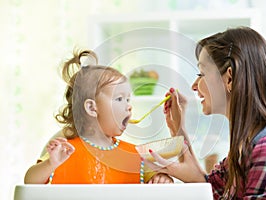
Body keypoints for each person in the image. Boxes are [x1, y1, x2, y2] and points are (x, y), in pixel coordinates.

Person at [146, 26, 266, 199]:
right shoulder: (245, 146)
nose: (194, 85)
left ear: (229, 78)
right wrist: (178, 130)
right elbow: (212, 191)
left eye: (201, 73)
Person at [24, 49, 173, 184]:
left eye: (128, 99)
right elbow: (30, 182)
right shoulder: (65, 151)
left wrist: (162, 179)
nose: (129, 106)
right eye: (119, 99)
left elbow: (160, 180)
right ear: (91, 108)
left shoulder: (134, 155)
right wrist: (51, 164)